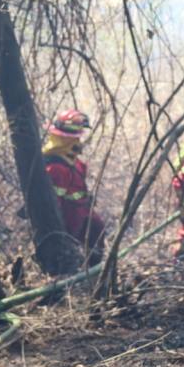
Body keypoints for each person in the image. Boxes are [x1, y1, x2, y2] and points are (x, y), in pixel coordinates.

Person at [42, 109, 106, 266]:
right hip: (68, 222)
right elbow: (54, 203)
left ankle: (93, 272)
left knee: (97, 230)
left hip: (82, 216)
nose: (78, 143)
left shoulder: (77, 165)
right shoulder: (55, 169)